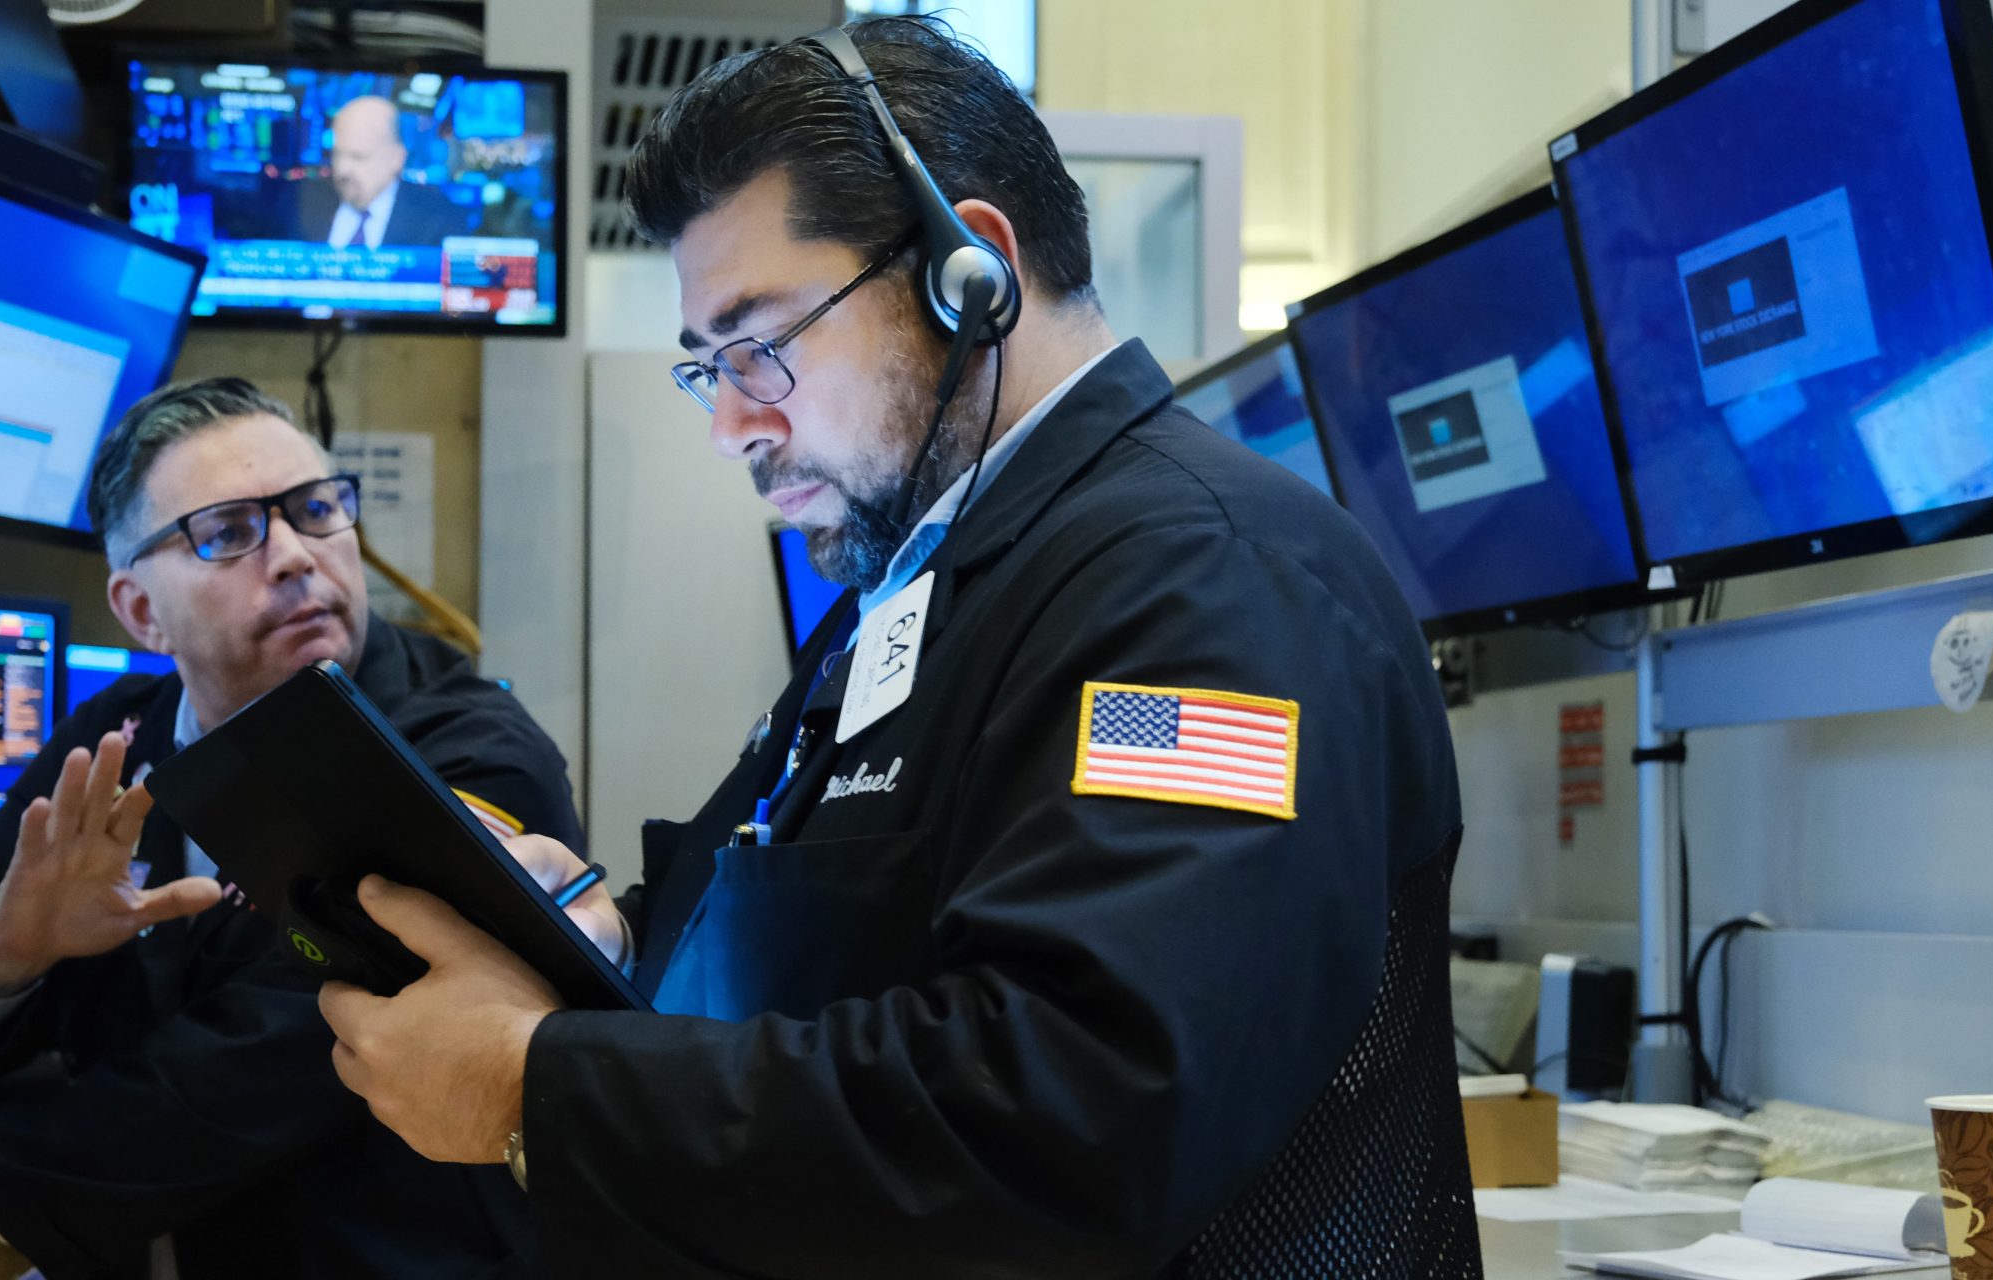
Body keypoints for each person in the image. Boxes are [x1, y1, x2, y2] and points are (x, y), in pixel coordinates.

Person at [314, 18, 1484, 1278]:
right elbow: (843, 944)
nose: (730, 425)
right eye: (705, 366)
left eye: (757, 344)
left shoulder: (1209, 589)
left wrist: (540, 1094)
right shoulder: (932, 582)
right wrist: (593, 936)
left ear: (968, 270)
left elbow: (1068, 1115)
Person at [0, 378, 581, 1279]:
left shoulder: (473, 758)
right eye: (229, 532)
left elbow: (267, 1062)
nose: (295, 557)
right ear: (139, 611)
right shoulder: (121, 736)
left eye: (317, 510)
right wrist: (3, 950)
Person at [300, 95, 472, 250]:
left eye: (358, 157)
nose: (343, 169)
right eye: (337, 154)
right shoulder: (299, 203)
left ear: (396, 159)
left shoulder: (440, 218)